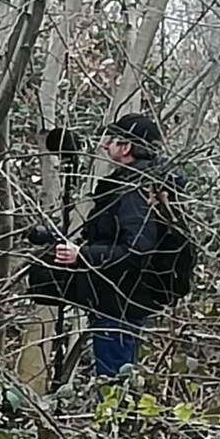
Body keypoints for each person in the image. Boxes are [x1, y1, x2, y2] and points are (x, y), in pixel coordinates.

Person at [50, 113, 183, 377]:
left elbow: (138, 250)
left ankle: (116, 418)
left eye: (110, 140)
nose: (103, 145)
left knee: (114, 382)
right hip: (122, 297)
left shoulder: (135, 190)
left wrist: (83, 255)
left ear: (125, 147)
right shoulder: (144, 183)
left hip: (120, 300)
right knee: (120, 376)